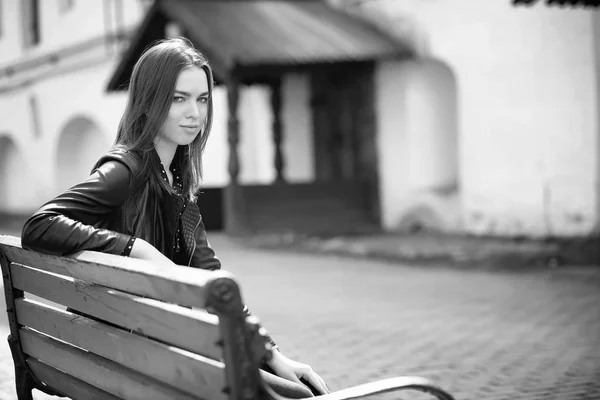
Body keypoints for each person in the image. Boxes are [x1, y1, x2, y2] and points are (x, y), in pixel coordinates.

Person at [21, 37, 328, 399]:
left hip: (140, 355)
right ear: (150, 101)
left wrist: (274, 356)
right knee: (295, 395)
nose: (194, 113)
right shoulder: (126, 169)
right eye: (178, 98)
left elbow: (210, 277)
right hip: (137, 361)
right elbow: (39, 224)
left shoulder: (177, 179)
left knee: (294, 386)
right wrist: (136, 248)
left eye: (202, 99)